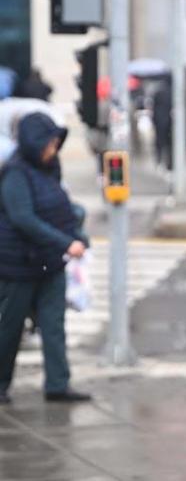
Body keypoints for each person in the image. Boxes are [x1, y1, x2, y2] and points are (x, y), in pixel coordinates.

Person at [0, 113, 91, 404]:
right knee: (10, 328)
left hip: (49, 261)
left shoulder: (49, 168)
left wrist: (75, 232)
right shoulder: (15, 174)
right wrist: (66, 242)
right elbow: (23, 218)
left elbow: (58, 206)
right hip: (18, 265)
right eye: (49, 144)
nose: (53, 150)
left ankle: (57, 384)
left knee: (53, 325)